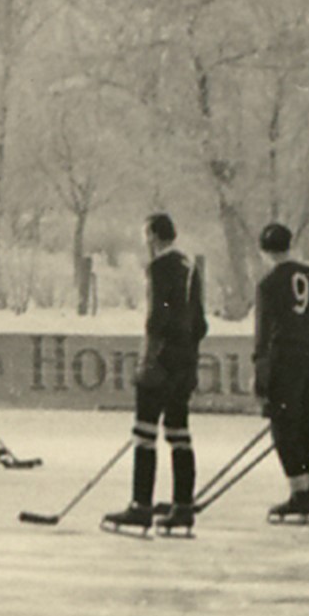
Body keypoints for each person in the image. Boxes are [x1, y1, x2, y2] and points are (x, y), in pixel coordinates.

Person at [105, 213, 210, 534]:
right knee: (179, 432)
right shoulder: (190, 266)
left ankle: (141, 505)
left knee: (145, 432)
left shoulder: (159, 268)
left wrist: (149, 360)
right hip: (186, 360)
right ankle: (182, 506)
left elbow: (156, 318)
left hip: (161, 359)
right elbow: (199, 322)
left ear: (152, 236)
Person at [251, 223, 309, 523]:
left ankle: (298, 493)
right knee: (306, 423)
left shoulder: (269, 282)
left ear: (264, 251)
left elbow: (263, 332)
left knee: (283, 426)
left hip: (285, 357)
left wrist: (261, 370)